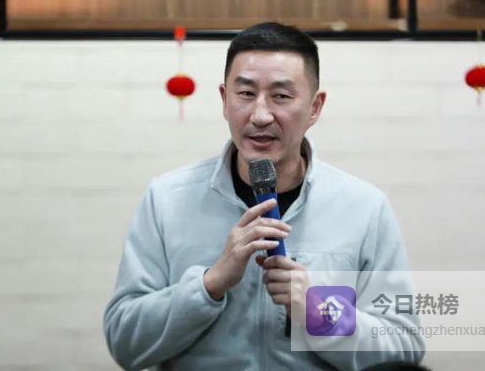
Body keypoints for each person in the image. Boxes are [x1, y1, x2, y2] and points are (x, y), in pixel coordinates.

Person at [103, 22, 425, 370]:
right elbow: (125, 343)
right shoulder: (166, 200)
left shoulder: (364, 208)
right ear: (224, 100)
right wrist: (209, 285)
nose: (259, 115)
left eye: (281, 96)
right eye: (245, 94)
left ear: (315, 107)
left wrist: (317, 312)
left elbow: (403, 348)